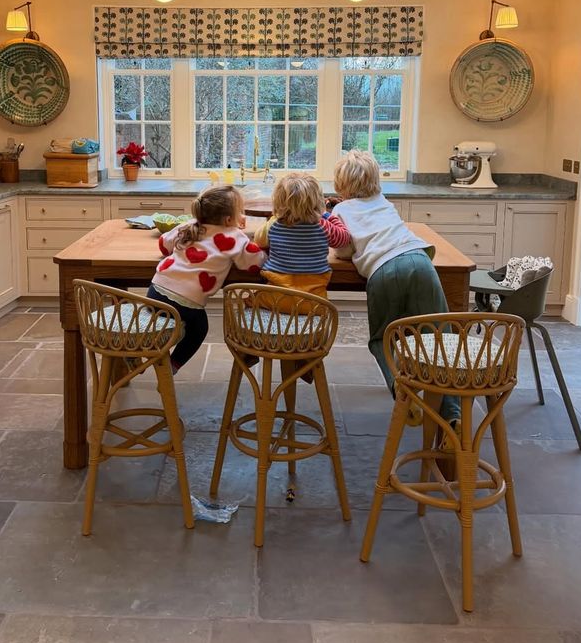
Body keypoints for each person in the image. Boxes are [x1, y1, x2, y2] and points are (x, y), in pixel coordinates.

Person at [330, 150, 461, 435]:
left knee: (383, 339)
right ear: (375, 179)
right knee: (440, 338)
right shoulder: (384, 203)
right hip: (419, 261)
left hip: (383, 272)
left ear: (341, 185)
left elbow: (342, 250)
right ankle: (453, 415)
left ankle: (403, 392)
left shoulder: (341, 211)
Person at [148, 184, 265, 372]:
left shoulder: (189, 225)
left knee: (164, 325)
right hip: (188, 302)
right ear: (229, 219)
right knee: (199, 330)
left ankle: (140, 353)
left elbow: (164, 245)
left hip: (155, 291)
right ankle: (172, 364)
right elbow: (253, 264)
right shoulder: (235, 236)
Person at [254, 172, 351, 303]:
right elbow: (344, 238)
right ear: (317, 202)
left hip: (275, 301)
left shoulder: (274, 225)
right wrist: (326, 215)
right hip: (313, 303)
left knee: (248, 301)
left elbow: (258, 240)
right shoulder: (323, 226)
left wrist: (275, 218)